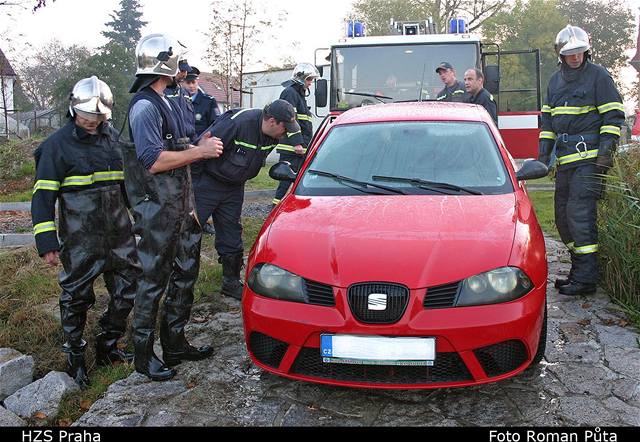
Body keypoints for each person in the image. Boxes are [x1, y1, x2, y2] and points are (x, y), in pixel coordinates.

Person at [31, 76, 140, 389]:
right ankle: (75, 357)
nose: (91, 123)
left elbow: (128, 189)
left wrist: (142, 223)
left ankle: (108, 345)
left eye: (97, 118)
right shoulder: (55, 147)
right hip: (80, 240)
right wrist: (46, 242)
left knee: (126, 289)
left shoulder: (115, 143)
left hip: (120, 235)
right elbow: (42, 198)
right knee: (76, 297)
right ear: (73, 110)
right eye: (85, 118)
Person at [125, 33, 224, 381]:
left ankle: (175, 342)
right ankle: (142, 355)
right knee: (153, 281)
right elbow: (152, 160)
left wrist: (200, 142)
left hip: (182, 207)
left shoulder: (169, 100)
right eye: (178, 62)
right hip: (156, 211)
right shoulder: (143, 106)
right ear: (165, 65)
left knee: (185, 275)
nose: (183, 68)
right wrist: (199, 152)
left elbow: (180, 146)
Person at [538, 25, 624, 296]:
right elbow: (547, 123)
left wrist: (605, 155)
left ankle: (587, 279)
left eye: (579, 52)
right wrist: (543, 157)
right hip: (565, 161)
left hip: (590, 162)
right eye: (569, 53)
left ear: (587, 51)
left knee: (580, 216)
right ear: (560, 55)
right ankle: (578, 271)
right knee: (563, 217)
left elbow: (613, 117)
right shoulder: (554, 81)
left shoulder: (599, 76)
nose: (575, 57)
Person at [194, 99, 298, 300]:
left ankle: (230, 282)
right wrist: (194, 187)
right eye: (285, 128)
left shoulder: (272, 136)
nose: (286, 134)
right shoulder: (237, 123)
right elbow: (201, 150)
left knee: (232, 232)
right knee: (189, 230)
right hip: (207, 182)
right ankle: (181, 281)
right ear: (272, 121)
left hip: (234, 187)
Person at [272, 63, 319, 206]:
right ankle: (276, 209)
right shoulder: (290, 93)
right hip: (292, 147)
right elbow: (288, 118)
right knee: (286, 181)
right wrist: (297, 143)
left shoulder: (297, 94)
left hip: (298, 146)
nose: (310, 83)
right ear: (301, 78)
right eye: (309, 79)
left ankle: (290, 206)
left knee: (296, 179)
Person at [183, 66, 221, 136]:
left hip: (202, 142)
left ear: (197, 82)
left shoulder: (209, 101)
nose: (191, 86)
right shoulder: (178, 101)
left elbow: (216, 124)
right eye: (188, 83)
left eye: (193, 82)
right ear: (183, 83)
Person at [165, 59, 196, 141]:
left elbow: (191, 120)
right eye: (182, 71)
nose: (184, 74)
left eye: (186, 71)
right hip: (171, 142)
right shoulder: (162, 93)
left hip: (188, 141)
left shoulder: (185, 93)